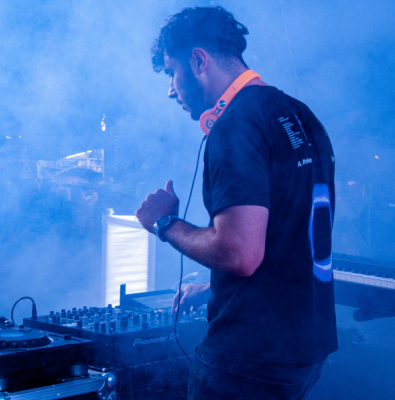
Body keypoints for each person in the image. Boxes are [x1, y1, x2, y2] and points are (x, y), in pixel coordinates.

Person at [135, 6, 337, 400]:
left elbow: (240, 254)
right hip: (305, 350)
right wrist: (214, 287)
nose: (171, 90)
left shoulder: (235, 125)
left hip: (249, 359)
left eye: (172, 73)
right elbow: (286, 236)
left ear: (199, 61)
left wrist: (164, 223)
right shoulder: (301, 115)